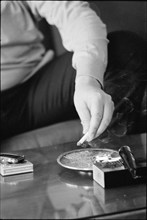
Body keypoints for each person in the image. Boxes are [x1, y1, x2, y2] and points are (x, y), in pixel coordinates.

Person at [1, 1, 146, 144]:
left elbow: (74, 13)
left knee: (123, 49)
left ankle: (107, 155)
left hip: (32, 85)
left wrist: (88, 79)